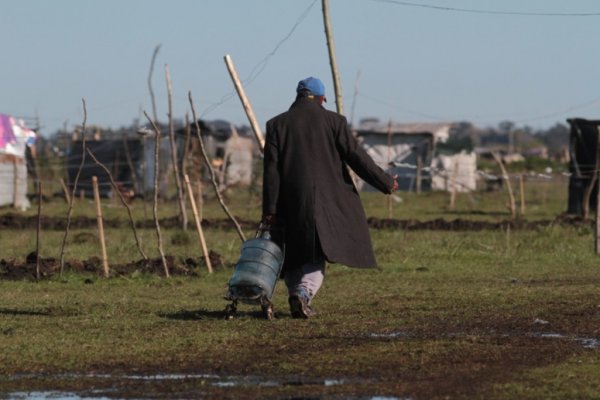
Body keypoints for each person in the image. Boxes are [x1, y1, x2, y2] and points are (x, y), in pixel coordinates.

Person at [262, 76, 398, 319]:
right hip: (327, 203)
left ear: (298, 96)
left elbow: (271, 172)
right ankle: (303, 294)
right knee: (318, 251)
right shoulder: (334, 121)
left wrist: (270, 210)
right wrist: (386, 182)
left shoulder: (276, 125)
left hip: (288, 202)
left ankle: (295, 291)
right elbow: (358, 158)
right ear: (322, 98)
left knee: (293, 252)